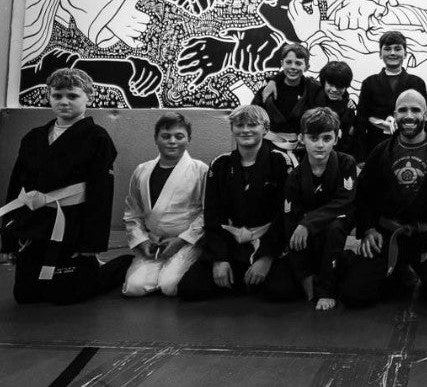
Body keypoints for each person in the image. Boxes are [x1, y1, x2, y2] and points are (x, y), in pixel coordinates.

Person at [1, 68, 130, 304]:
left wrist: (91, 243)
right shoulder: (33, 137)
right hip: (34, 223)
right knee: (25, 296)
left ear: (88, 97)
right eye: (57, 95)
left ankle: (122, 265)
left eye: (72, 96)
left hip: (73, 224)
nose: (64, 101)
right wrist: (9, 238)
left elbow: (101, 194)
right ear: (48, 97)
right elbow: (15, 188)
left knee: (66, 295)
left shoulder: (97, 137)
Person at [340, 89, 427, 311]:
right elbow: (364, 195)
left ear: (426, 115)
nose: (409, 115)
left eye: (415, 110)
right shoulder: (381, 152)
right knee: (354, 295)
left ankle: (408, 274)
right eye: (403, 110)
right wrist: (368, 229)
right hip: (388, 234)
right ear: (395, 115)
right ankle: (393, 271)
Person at [177, 105, 290, 300]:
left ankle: (249, 275)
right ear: (232, 129)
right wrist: (219, 259)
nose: (245, 130)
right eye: (239, 125)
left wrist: (266, 258)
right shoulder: (220, 164)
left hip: (267, 241)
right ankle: (238, 275)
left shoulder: (280, 161)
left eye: (252, 125)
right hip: (231, 242)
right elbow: (213, 215)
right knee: (190, 288)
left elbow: (284, 214)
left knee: (281, 291)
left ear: (265, 129)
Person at [278, 107, 358, 311]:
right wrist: (303, 274)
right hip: (310, 237)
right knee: (280, 290)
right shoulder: (295, 176)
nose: (320, 144)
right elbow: (291, 222)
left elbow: (344, 201)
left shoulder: (346, 163)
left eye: (326, 138)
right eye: (313, 138)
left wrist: (308, 222)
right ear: (302, 138)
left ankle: (327, 290)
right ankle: (311, 274)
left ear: (336, 138)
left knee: (334, 226)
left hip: (338, 224)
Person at [122, 113, 208, 297]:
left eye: (179, 136)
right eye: (166, 136)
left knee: (169, 285)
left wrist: (181, 240)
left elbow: (207, 212)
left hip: (186, 242)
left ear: (188, 139)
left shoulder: (200, 170)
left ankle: (175, 269)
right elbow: (132, 213)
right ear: (156, 138)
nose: (172, 141)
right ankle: (156, 269)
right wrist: (142, 241)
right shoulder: (142, 171)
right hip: (154, 243)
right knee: (134, 288)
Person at [355, 31, 427, 161]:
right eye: (387, 49)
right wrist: (360, 157)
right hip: (376, 148)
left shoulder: (417, 83)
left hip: (411, 146)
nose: (392, 53)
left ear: (405, 53)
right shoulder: (369, 83)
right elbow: (361, 121)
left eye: (397, 49)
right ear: (380, 54)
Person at [253, 42, 324, 165]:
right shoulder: (267, 91)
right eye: (289, 62)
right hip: (268, 149)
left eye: (298, 63)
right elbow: (253, 118)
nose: (293, 67)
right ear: (282, 63)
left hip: (303, 151)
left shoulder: (313, 90)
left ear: (306, 67)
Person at [315, 61, 359, 159]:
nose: (334, 89)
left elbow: (349, 141)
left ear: (346, 86)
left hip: (338, 157)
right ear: (323, 82)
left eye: (339, 86)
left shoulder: (350, 108)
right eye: (330, 84)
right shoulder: (312, 96)